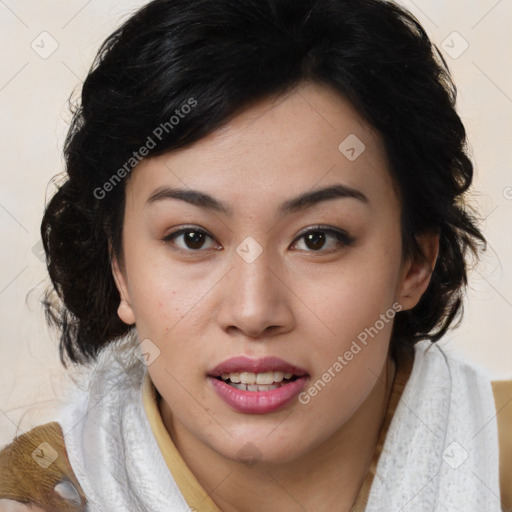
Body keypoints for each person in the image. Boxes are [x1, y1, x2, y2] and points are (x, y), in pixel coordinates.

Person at [0, 0, 510, 510]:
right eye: (193, 238)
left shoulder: (496, 460)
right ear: (121, 270)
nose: (253, 311)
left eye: (317, 239)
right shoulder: (33, 490)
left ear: (413, 265)